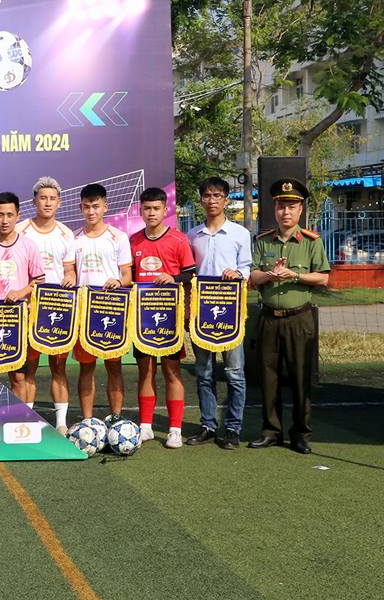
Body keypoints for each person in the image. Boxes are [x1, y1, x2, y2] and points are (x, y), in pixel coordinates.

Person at [249, 178, 330, 455]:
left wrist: (294, 274)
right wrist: (270, 274)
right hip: (269, 318)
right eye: (282, 206)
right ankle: (271, 431)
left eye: (292, 206)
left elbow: (322, 278)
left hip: (299, 318)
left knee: (300, 377)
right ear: (274, 208)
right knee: (268, 377)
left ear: (300, 209)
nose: (286, 212)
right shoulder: (262, 241)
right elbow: (252, 277)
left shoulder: (311, 242)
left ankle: (300, 434)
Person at [186, 177, 252, 450]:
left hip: (231, 314)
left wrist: (237, 273)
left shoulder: (240, 234)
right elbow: (188, 274)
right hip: (201, 314)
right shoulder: (192, 235)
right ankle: (208, 425)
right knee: (204, 372)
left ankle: (233, 428)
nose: (212, 200)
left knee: (235, 373)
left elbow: (247, 270)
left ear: (226, 199)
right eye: (207, 195)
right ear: (201, 200)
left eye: (217, 195)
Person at [129, 187, 196, 449]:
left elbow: (191, 274)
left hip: (169, 318)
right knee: (144, 371)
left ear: (165, 210)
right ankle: (145, 426)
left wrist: (174, 278)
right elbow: (128, 277)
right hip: (141, 318)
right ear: (141, 210)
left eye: (156, 208)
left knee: (171, 371)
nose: (152, 213)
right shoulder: (133, 241)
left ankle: (175, 429)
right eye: (147, 208)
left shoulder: (178, 240)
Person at [14, 177, 77, 433]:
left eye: (52, 198)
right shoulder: (20, 230)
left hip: (57, 309)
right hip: (28, 309)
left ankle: (61, 423)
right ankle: (27, 422)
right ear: (34, 201)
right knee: (28, 366)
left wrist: (70, 278)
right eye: (43, 198)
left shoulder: (66, 233)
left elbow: (70, 270)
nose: (47, 202)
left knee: (58, 366)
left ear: (59, 202)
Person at [0, 192, 44, 400]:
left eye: (10, 215)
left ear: (18, 215)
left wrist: (20, 293)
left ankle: (20, 423)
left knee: (19, 376)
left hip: (18, 319)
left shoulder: (28, 245)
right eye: (0, 215)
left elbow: (38, 280)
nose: (5, 220)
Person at [73, 183, 133, 421]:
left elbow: (127, 276)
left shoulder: (118, 237)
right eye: (87, 206)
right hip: (83, 313)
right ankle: (87, 421)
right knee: (86, 367)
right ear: (81, 207)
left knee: (114, 367)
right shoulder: (74, 238)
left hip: (111, 311)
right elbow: (70, 273)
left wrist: (119, 282)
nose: (91, 211)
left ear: (105, 207)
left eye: (96, 206)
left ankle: (116, 418)